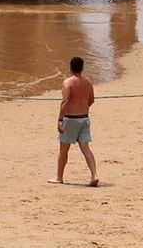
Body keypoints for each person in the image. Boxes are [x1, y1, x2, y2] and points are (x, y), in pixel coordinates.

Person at [53, 56, 98, 187]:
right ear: (82, 68)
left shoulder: (68, 82)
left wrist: (60, 120)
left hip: (71, 119)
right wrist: (83, 108)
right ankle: (94, 174)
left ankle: (59, 177)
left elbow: (65, 101)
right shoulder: (88, 82)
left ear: (71, 67)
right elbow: (91, 100)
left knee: (63, 150)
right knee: (86, 148)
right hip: (84, 118)